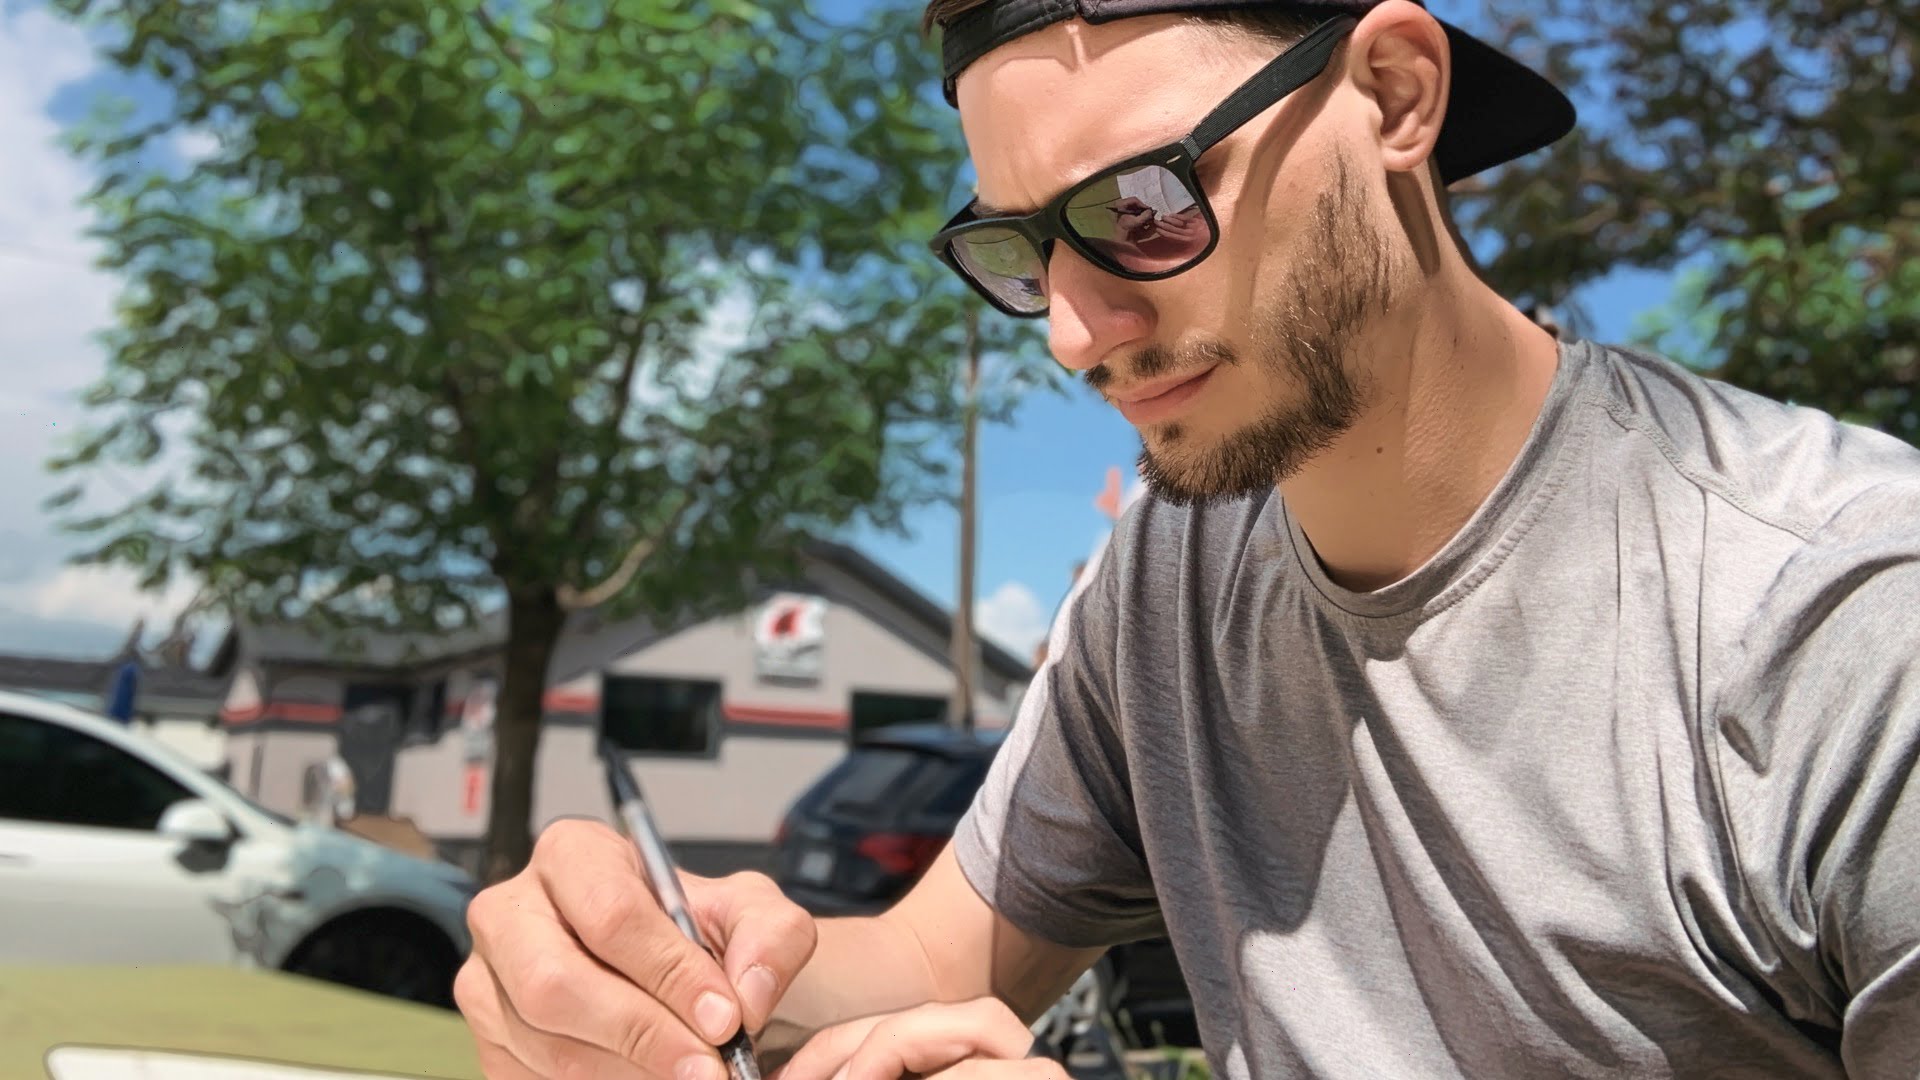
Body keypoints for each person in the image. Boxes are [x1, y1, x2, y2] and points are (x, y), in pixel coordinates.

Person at [456, 0, 1920, 1076]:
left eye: (1144, 206)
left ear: (1398, 96)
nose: (1079, 335)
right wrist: (674, 968)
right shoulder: (1176, 565)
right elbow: (921, 965)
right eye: (1025, 252)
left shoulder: (1847, 630)